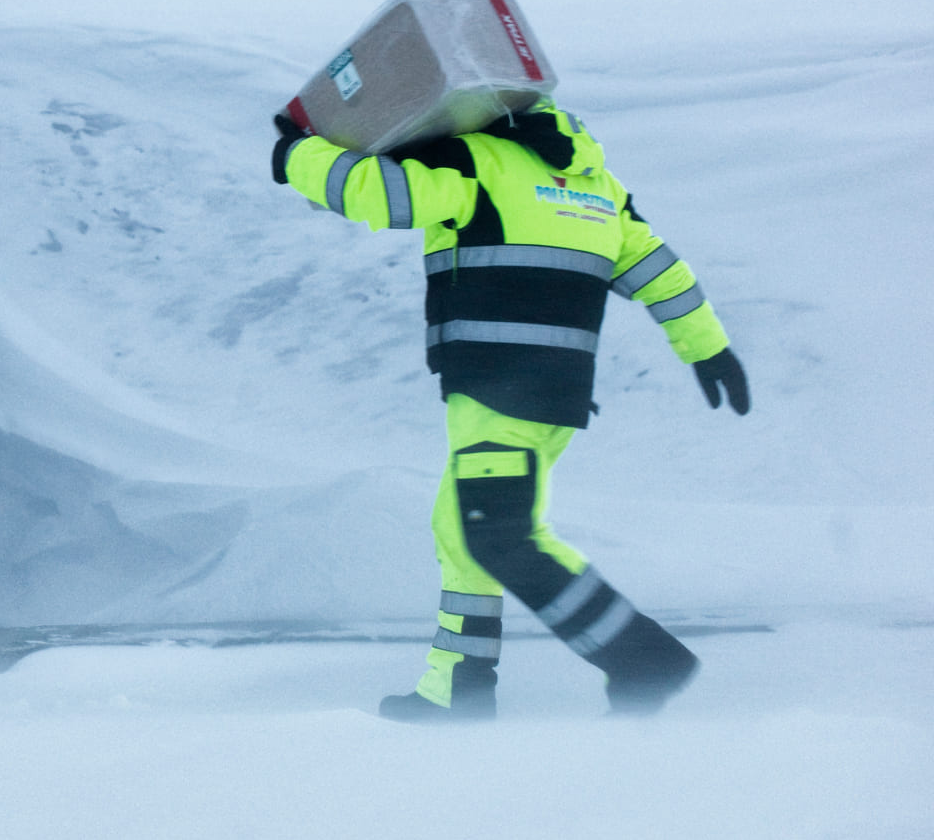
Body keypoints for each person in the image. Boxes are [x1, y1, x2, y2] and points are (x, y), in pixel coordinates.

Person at [270, 99, 750, 720]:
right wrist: (708, 348)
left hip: (497, 386)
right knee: (461, 528)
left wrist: (296, 154)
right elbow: (661, 271)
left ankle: (640, 657)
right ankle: (458, 690)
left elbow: (380, 195)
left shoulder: (477, 160)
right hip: (555, 394)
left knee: (498, 534)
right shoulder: (597, 187)